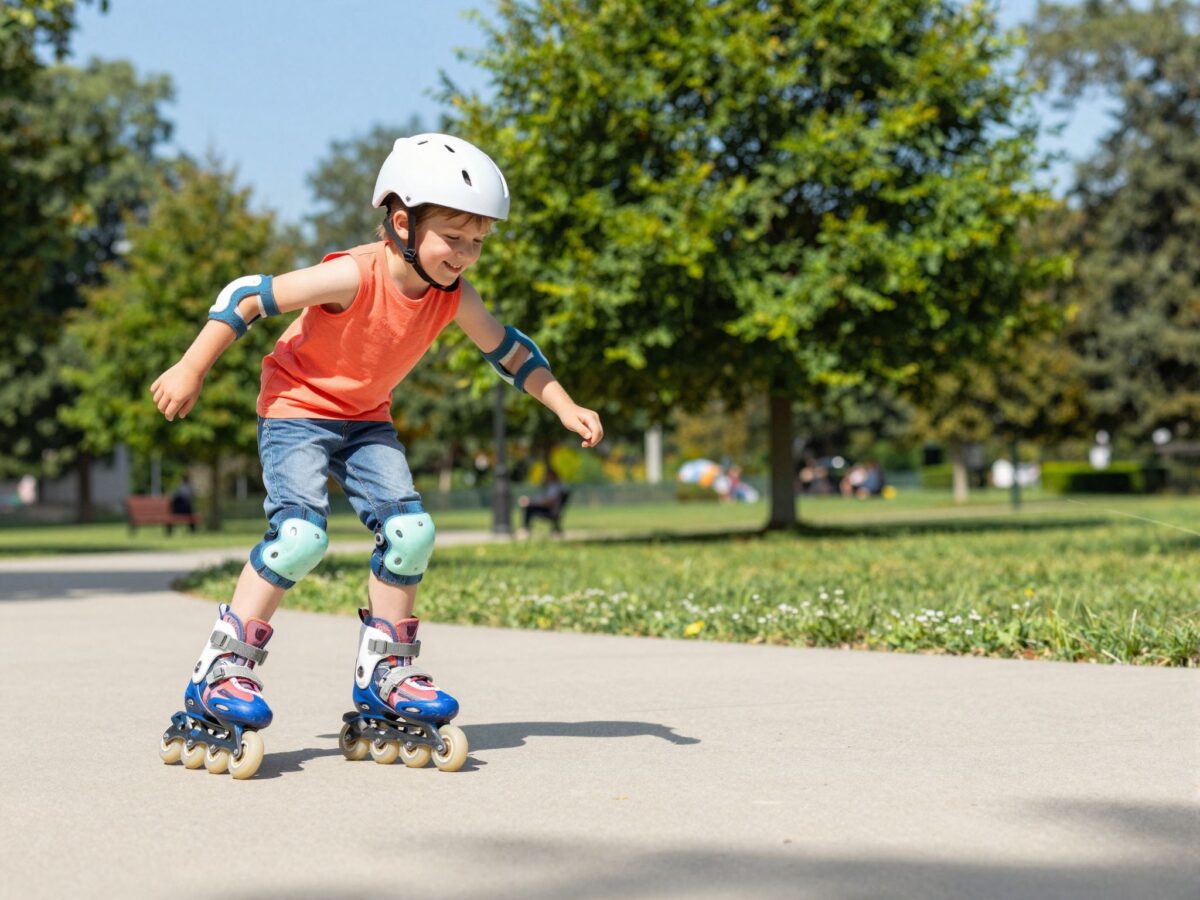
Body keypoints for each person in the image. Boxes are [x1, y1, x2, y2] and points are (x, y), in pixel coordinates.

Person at [150, 133, 604, 778]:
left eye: (478, 242)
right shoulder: (352, 275)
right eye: (454, 237)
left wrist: (563, 404)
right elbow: (247, 294)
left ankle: (385, 675)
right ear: (402, 223)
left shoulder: (453, 296)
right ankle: (220, 671)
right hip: (296, 410)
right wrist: (191, 367)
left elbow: (510, 351)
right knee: (300, 538)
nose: (465, 255)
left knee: (411, 532)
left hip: (366, 421)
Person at [517, 466, 566, 536]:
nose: (545, 477)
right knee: (528, 505)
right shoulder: (552, 486)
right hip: (547, 508)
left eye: (547, 475)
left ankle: (525, 529)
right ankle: (525, 528)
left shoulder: (555, 487)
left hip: (549, 511)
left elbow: (550, 502)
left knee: (529, 507)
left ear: (552, 476)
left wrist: (533, 503)